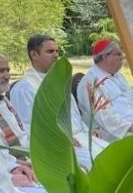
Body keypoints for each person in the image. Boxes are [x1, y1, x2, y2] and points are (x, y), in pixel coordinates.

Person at [10, 34, 106, 168]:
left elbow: (75, 117)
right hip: (57, 147)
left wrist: (87, 130)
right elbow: (29, 128)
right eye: (50, 51)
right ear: (34, 55)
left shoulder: (60, 81)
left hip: (81, 138)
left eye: (57, 51)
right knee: (102, 164)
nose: (56, 55)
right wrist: (63, 141)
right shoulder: (24, 88)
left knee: (118, 154)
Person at [77, 38, 133, 141]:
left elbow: (132, 100)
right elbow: (105, 118)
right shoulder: (90, 83)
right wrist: (132, 127)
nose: (122, 57)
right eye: (118, 54)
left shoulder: (118, 76)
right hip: (115, 136)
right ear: (105, 57)